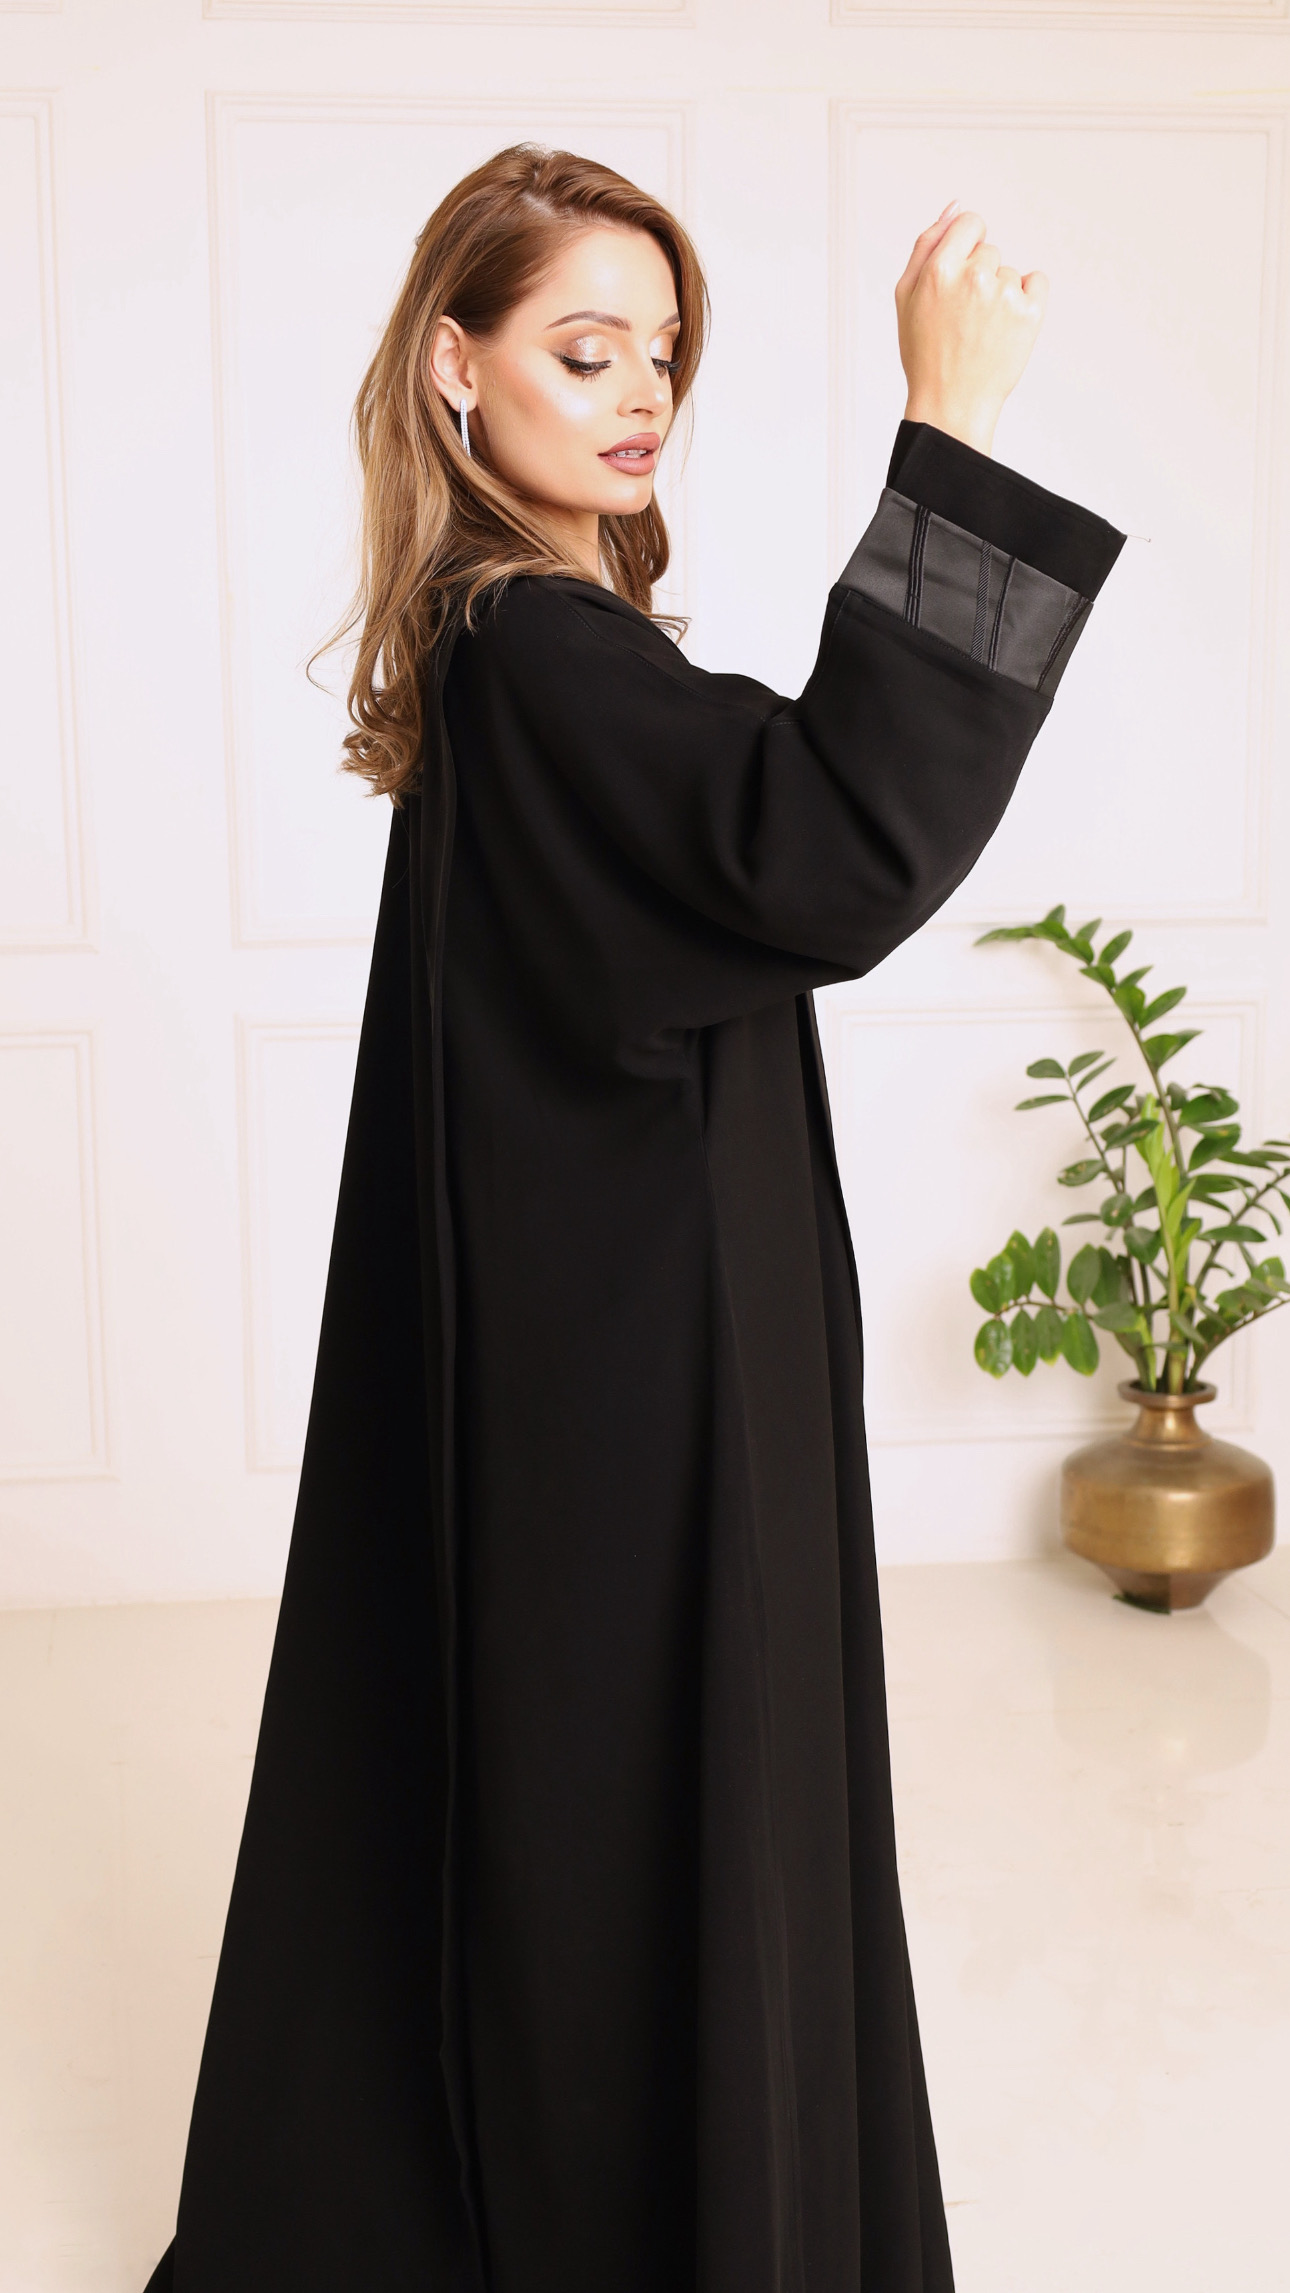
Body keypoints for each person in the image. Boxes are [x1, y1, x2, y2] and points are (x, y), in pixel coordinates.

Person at [143, 144, 1123, 2293]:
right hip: (639, 1383)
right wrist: (950, 432)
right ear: (453, 365)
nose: (642, 392)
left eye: (661, 352)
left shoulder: (531, 642)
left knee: (640, 1797)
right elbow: (826, 846)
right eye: (583, 350)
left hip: (623, 1342)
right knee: (663, 1799)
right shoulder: (535, 649)